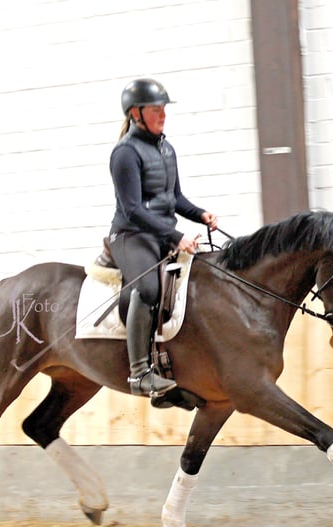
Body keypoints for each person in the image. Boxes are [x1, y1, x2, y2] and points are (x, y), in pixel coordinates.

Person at [108, 78, 218, 399]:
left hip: (163, 233)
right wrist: (175, 235)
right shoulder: (125, 153)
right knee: (148, 287)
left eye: (164, 109)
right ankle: (140, 373)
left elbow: (175, 198)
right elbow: (131, 209)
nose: (163, 114)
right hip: (132, 234)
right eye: (156, 109)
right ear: (136, 113)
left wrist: (200, 215)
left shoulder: (166, 148)